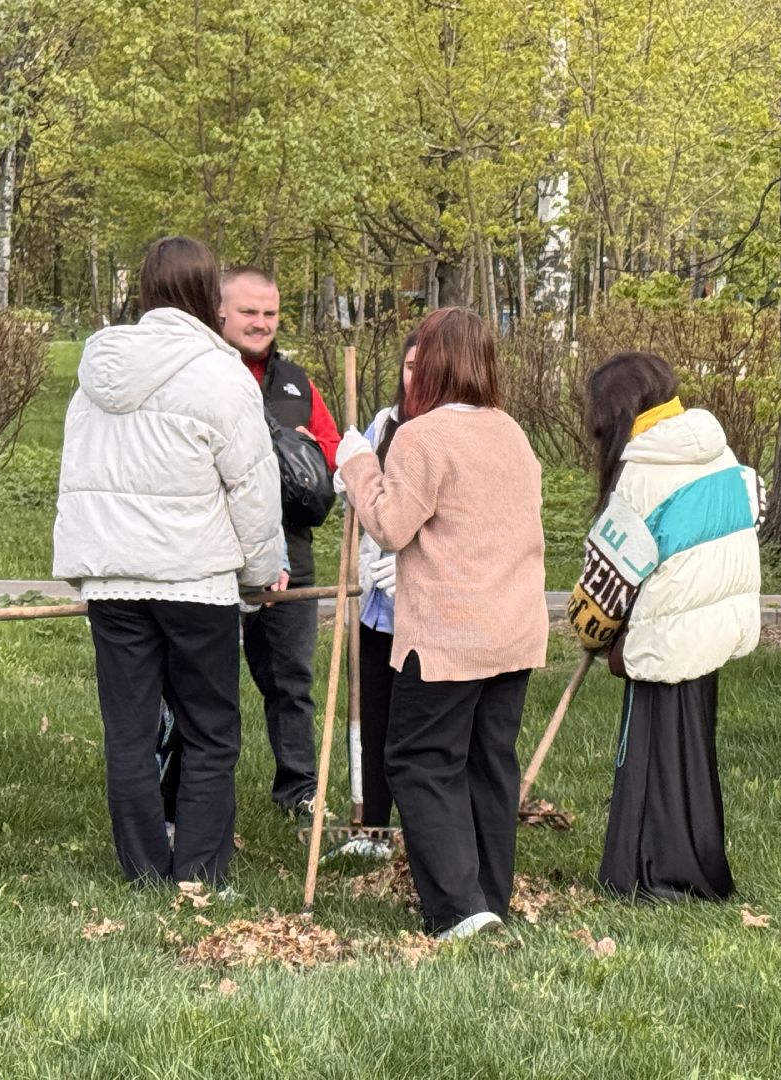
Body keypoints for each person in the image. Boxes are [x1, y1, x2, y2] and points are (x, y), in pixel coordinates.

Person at [52, 236, 284, 886]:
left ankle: (145, 873)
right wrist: (261, 574)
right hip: (194, 582)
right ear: (210, 297)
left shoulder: (96, 376)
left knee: (129, 734)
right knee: (210, 730)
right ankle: (199, 876)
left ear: (147, 291)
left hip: (115, 582)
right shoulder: (223, 376)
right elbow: (254, 489)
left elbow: (76, 475)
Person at [336, 307, 548, 941]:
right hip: (512, 630)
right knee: (488, 761)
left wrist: (358, 465)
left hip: (451, 635)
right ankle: (489, 897)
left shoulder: (422, 436)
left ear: (429, 364)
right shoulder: (511, 432)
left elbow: (390, 524)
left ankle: (459, 907)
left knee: (421, 760)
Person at [567, 351, 762, 902]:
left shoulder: (642, 473)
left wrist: (593, 633)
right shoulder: (719, 451)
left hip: (666, 637)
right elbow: (754, 506)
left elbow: (603, 590)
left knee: (651, 759)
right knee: (691, 757)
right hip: (716, 628)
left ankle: (653, 875)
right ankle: (699, 869)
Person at [219, 267, 342, 819]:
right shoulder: (206, 374)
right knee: (209, 681)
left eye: (269, 313)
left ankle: (299, 791)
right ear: (220, 311)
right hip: (219, 554)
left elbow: (335, 452)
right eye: (248, 312)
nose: (260, 323)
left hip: (294, 552)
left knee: (292, 680)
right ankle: (203, 790)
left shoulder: (295, 381)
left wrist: (316, 455)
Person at [347, 331, 417, 851]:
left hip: (423, 608)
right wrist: (348, 469)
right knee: (374, 715)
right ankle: (373, 826)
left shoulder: (446, 433)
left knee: (411, 727)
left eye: (427, 365)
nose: (415, 375)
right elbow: (364, 492)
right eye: (409, 364)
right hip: (377, 604)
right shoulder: (385, 423)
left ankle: (419, 831)